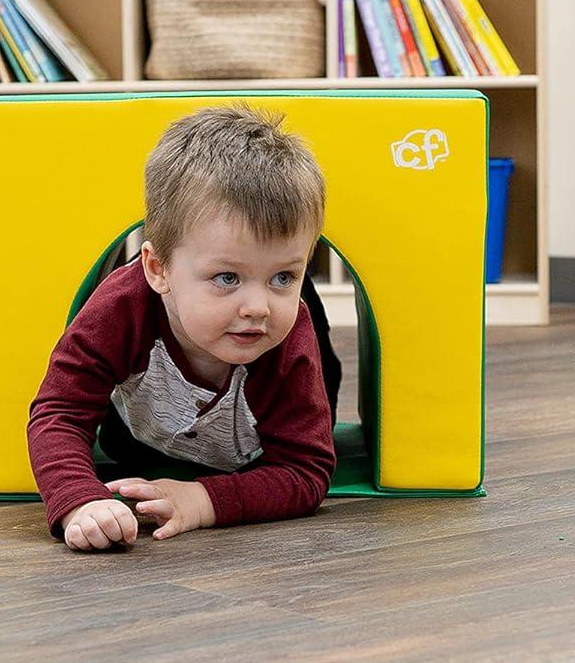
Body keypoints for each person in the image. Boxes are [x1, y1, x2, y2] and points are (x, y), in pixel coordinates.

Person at [28, 104, 343, 550]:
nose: (257, 307)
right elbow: (59, 412)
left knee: (301, 319)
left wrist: (203, 501)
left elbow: (306, 472)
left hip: (260, 440)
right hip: (135, 440)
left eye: (283, 276)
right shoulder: (121, 310)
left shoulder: (289, 340)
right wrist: (80, 500)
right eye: (227, 278)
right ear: (158, 269)